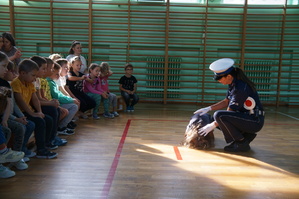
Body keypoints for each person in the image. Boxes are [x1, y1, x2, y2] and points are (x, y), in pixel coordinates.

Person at [194, 58, 265, 152]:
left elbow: (230, 110)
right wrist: (209, 108)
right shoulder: (233, 84)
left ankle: (241, 142)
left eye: (219, 78)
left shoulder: (240, 87)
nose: (219, 80)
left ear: (229, 76)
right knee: (212, 118)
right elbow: (226, 101)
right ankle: (246, 135)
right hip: (246, 118)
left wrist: (212, 125)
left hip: (253, 121)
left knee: (219, 116)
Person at [11, 59, 58, 159]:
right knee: (39, 122)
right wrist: (32, 114)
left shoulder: (30, 83)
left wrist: (39, 111)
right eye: (33, 75)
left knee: (47, 119)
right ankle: (40, 150)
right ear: (23, 73)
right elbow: (20, 102)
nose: (34, 78)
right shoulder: (16, 83)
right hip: (19, 113)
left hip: (28, 111)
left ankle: (44, 145)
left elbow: (35, 99)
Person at [2, 60, 35, 169]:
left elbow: (13, 104)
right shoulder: (8, 84)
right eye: (5, 67)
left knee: (28, 124)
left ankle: (18, 154)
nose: (13, 73)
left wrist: (20, 116)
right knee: (18, 127)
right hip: (5, 118)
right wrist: (15, 119)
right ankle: (11, 156)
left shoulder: (7, 84)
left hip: (10, 117)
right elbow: (3, 109)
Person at [47, 62, 79, 133]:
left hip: (55, 102)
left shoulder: (53, 82)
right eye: (56, 74)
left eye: (59, 74)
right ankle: (61, 127)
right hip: (54, 103)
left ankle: (62, 126)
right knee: (73, 107)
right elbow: (57, 96)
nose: (58, 76)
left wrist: (71, 99)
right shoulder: (50, 83)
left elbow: (59, 94)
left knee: (74, 105)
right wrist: (71, 100)